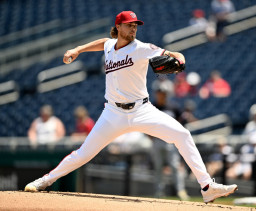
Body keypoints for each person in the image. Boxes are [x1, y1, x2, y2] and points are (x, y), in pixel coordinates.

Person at [24, 11, 237, 203]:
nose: (134, 27)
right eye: (129, 24)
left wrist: (180, 61)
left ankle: (207, 187)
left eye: (135, 24)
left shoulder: (142, 48)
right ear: (118, 27)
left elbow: (175, 55)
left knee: (182, 135)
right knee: (83, 155)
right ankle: (44, 181)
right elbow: (103, 42)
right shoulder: (110, 45)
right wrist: (78, 49)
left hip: (142, 111)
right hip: (112, 113)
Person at [151, 86, 190, 201]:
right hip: (157, 140)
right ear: (156, 94)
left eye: (163, 93)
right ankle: (159, 191)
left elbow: (182, 121)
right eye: (159, 92)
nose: (161, 94)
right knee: (158, 167)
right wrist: (150, 137)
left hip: (170, 141)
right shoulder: (152, 107)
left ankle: (180, 191)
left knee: (175, 166)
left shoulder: (173, 106)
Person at [226, 110, 256, 180]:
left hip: (252, 166)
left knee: (246, 174)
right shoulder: (245, 147)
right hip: (243, 164)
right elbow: (240, 159)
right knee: (229, 174)